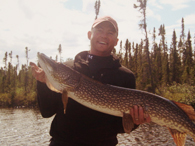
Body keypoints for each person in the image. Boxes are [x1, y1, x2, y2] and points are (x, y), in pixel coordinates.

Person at [30, 16, 151, 146]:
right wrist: (43, 83)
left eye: (110, 32)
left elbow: (122, 127)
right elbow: (46, 112)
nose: (104, 36)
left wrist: (135, 121)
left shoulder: (125, 76)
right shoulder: (69, 69)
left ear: (116, 41)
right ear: (89, 34)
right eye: (99, 30)